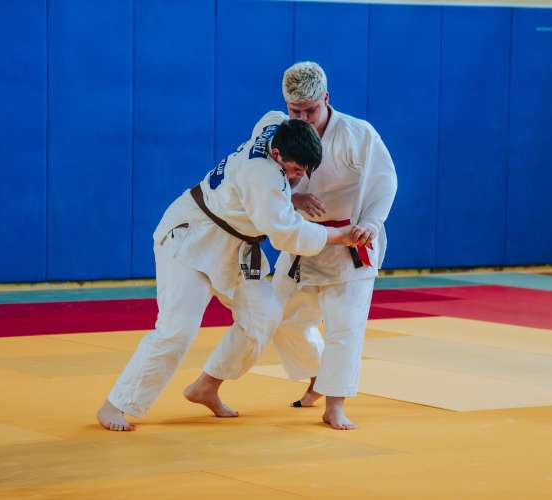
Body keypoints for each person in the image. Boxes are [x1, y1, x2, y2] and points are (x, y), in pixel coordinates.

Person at [97, 115, 358, 431]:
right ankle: (116, 404)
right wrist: (337, 236)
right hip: (192, 237)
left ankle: (207, 386)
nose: (298, 177)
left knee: (265, 315)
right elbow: (287, 233)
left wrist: (290, 194)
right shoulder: (262, 176)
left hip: (237, 246)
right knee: (177, 330)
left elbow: (273, 117)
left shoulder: (275, 127)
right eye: (295, 170)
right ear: (277, 155)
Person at [201, 61, 397, 430]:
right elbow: (260, 186)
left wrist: (372, 222)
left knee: (345, 327)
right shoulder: (278, 134)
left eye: (311, 109)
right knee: (283, 320)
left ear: (327, 97)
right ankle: (316, 377)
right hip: (301, 241)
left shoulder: (359, 134)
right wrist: (292, 201)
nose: (303, 117)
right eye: (296, 111)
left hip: (350, 242)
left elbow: (384, 182)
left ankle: (335, 404)